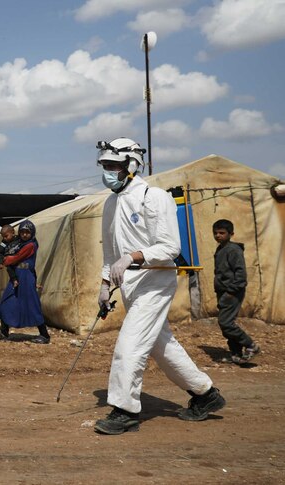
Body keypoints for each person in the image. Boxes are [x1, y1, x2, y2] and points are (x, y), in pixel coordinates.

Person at [93, 137, 225, 435]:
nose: (108, 172)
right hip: (130, 285)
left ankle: (125, 410)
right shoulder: (111, 203)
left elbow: (170, 247)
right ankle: (205, 394)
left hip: (156, 281)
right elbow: (110, 254)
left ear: (131, 166)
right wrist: (104, 284)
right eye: (104, 166)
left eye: (113, 166)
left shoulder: (154, 197)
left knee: (130, 344)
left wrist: (134, 256)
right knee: (161, 346)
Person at [0, 221, 50, 344]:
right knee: (6, 301)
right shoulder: (18, 243)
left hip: (26, 277)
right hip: (18, 276)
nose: (25, 235)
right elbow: (6, 253)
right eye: (22, 232)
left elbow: (15, 258)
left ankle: (44, 335)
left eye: (27, 232)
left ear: (32, 233)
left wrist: (7, 259)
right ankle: (4, 332)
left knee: (32, 305)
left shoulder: (31, 245)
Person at [212, 219, 260, 365]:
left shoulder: (233, 250)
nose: (218, 236)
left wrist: (232, 291)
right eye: (215, 233)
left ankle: (251, 345)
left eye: (222, 233)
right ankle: (236, 354)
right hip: (223, 291)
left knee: (225, 322)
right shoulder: (221, 249)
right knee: (226, 324)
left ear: (231, 234)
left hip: (232, 292)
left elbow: (240, 274)